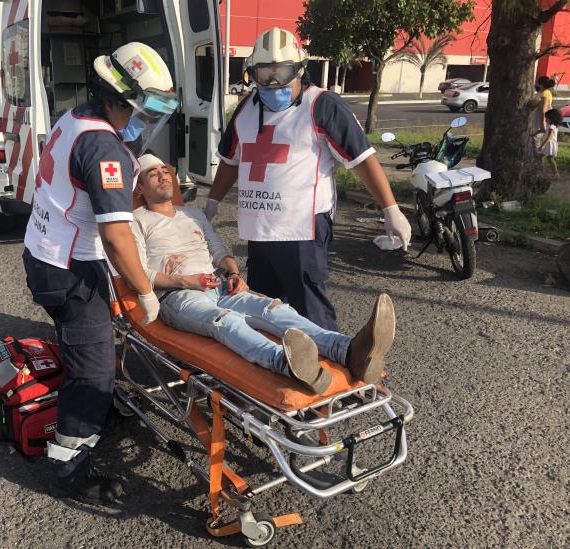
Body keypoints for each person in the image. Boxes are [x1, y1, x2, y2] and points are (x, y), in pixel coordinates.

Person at [22, 42, 178, 504]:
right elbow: (115, 236)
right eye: (144, 107)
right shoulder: (103, 146)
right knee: (92, 372)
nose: (148, 119)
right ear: (115, 95)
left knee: (85, 349)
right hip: (69, 267)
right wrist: (146, 289)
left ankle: (94, 413)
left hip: (47, 251)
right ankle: (71, 470)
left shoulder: (75, 118)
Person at [131, 154, 396, 394]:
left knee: (277, 310)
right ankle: (288, 364)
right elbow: (138, 271)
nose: (163, 175)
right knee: (223, 321)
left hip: (220, 285)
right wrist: (185, 281)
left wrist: (233, 272)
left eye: (165, 170)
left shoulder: (194, 214)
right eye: (152, 174)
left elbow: (218, 250)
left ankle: (349, 351)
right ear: (140, 189)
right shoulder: (136, 221)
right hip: (179, 296)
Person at [203, 27, 411, 332]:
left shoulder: (322, 105)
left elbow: (361, 160)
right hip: (259, 233)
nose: (273, 82)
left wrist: (390, 208)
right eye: (264, 73)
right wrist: (211, 203)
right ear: (251, 74)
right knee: (264, 309)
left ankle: (332, 369)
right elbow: (231, 160)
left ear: (301, 69)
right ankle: (276, 370)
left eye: (282, 71)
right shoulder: (246, 110)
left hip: (302, 232)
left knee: (310, 312)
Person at [537, 108, 562, 178]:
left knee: (549, 158)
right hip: (548, 144)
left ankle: (556, 173)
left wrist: (542, 145)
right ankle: (539, 170)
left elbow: (549, 137)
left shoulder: (552, 126)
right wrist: (537, 132)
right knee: (542, 157)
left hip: (549, 144)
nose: (545, 119)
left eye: (546, 118)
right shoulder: (552, 126)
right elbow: (545, 132)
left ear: (551, 118)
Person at [533, 75, 556, 147]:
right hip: (538, 118)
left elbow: (543, 109)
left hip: (542, 118)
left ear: (541, 84)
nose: (535, 83)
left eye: (537, 82)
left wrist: (542, 124)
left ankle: (536, 157)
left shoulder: (546, 93)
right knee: (534, 138)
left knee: (535, 139)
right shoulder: (541, 93)